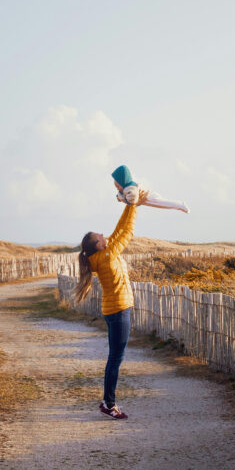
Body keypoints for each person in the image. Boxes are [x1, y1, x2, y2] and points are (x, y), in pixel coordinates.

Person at [75, 180, 149, 420]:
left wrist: (130, 205)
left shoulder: (102, 255)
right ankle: (109, 403)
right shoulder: (106, 257)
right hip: (118, 312)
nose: (105, 235)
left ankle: (108, 400)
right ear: (98, 245)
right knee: (115, 358)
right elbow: (126, 232)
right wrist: (133, 204)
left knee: (114, 356)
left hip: (115, 311)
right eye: (100, 236)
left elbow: (118, 230)